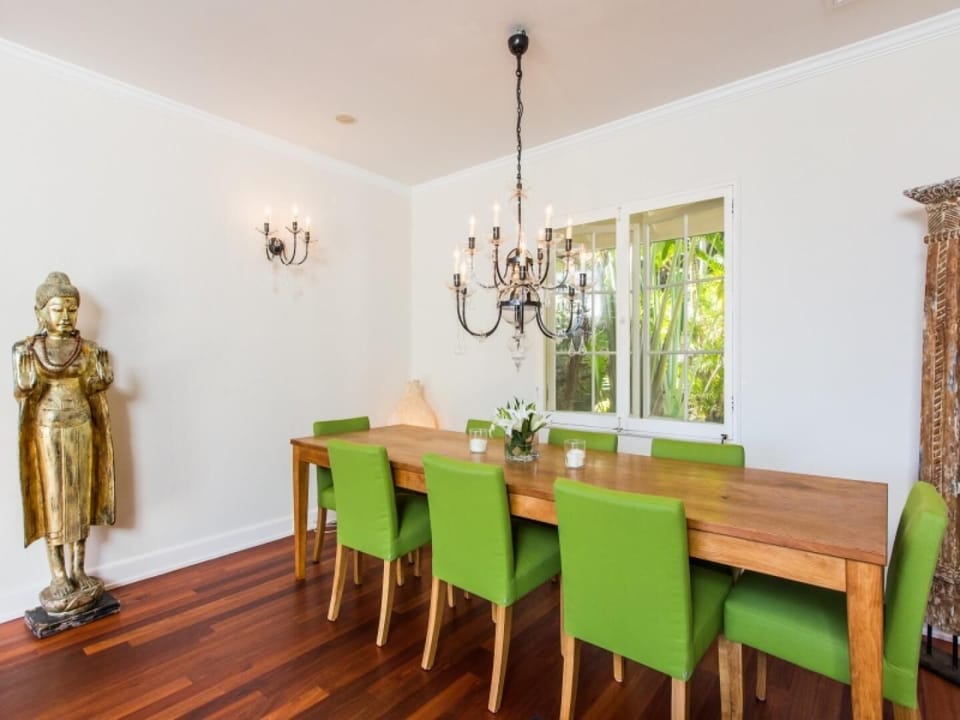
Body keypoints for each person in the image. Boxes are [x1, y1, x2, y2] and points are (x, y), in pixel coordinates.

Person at [13, 272, 116, 614]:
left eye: (71, 309)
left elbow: (95, 386)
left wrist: (102, 378)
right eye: (58, 309)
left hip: (81, 425)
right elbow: (24, 390)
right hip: (48, 429)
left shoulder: (87, 349)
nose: (66, 316)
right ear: (41, 312)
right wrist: (26, 377)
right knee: (55, 498)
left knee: (80, 495)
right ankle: (58, 574)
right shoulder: (27, 350)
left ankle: (79, 569)